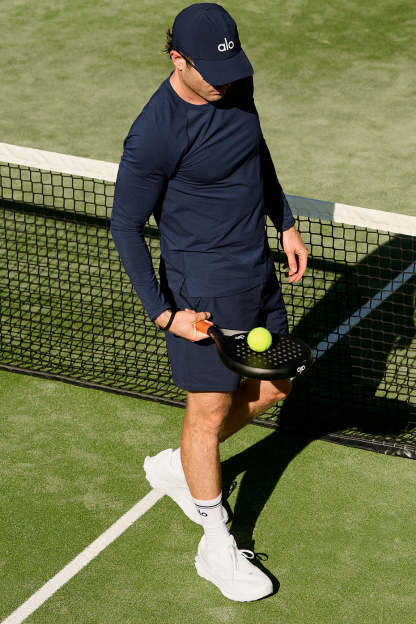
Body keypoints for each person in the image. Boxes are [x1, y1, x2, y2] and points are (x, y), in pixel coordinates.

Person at [111, 2, 308, 602]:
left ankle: (182, 465)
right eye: (213, 72)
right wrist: (164, 313)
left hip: (257, 272)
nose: (226, 82)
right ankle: (215, 543)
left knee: (276, 387)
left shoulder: (235, 85)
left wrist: (285, 221)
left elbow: (256, 151)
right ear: (178, 59)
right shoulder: (155, 133)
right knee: (208, 412)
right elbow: (125, 226)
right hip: (202, 291)